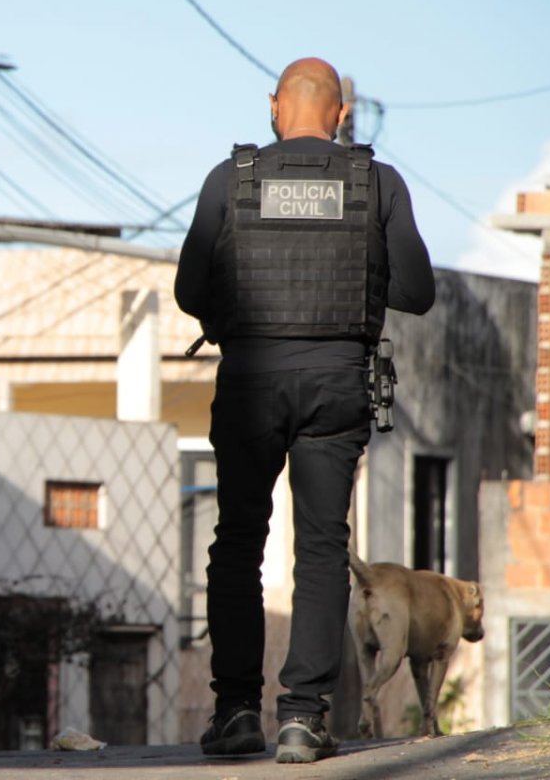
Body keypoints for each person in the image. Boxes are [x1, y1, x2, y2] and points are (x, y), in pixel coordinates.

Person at [173, 57, 434, 764]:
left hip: (251, 377)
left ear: (273, 104)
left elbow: (189, 289)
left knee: (236, 542)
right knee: (321, 546)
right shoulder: (374, 182)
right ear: (342, 112)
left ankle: (233, 712)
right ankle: (302, 718)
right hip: (336, 382)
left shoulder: (232, 181)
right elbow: (416, 290)